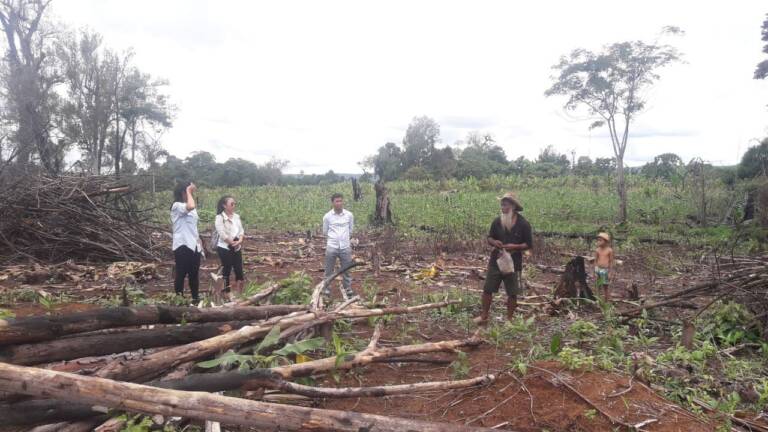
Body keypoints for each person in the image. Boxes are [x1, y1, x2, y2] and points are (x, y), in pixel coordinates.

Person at [474, 192, 533, 325]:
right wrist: (494, 242)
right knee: (487, 289)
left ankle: (509, 320)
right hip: (496, 259)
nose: (502, 208)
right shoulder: (497, 221)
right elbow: (489, 237)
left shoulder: (524, 224)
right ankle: (484, 316)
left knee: (513, 292)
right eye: (501, 205)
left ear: (513, 206)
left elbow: (528, 244)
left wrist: (515, 246)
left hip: (514, 262)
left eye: (505, 205)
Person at [171, 182, 201, 304]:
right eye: (189, 192)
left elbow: (193, 227)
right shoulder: (177, 206)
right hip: (182, 245)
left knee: (194, 274)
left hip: (194, 245)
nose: (191, 195)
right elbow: (191, 206)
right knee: (181, 274)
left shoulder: (191, 208)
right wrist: (189, 190)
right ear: (183, 193)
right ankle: (180, 300)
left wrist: (199, 243)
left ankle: (195, 298)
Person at [322, 193, 356, 300]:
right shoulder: (327, 217)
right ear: (332, 203)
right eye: (337, 201)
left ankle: (348, 289)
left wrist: (345, 239)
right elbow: (325, 232)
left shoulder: (349, 215)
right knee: (329, 270)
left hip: (345, 247)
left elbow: (351, 230)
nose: (339, 203)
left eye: (341, 201)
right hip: (332, 247)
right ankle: (326, 290)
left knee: (347, 270)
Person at [215, 195, 245, 298]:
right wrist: (232, 243)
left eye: (234, 204)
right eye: (231, 204)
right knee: (226, 270)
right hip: (225, 247)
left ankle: (240, 295)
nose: (234, 206)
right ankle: (226, 293)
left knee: (239, 270)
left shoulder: (236, 216)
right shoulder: (220, 218)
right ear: (224, 206)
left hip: (237, 246)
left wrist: (239, 241)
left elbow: (241, 231)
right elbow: (222, 234)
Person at [594, 232, 614, 301]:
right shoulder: (597, 250)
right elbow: (595, 260)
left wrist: (610, 272)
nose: (598, 242)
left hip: (605, 270)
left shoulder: (609, 250)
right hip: (598, 269)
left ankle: (606, 300)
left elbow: (611, 261)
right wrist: (595, 271)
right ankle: (598, 300)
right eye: (598, 240)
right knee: (598, 285)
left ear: (605, 241)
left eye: (600, 240)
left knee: (605, 286)